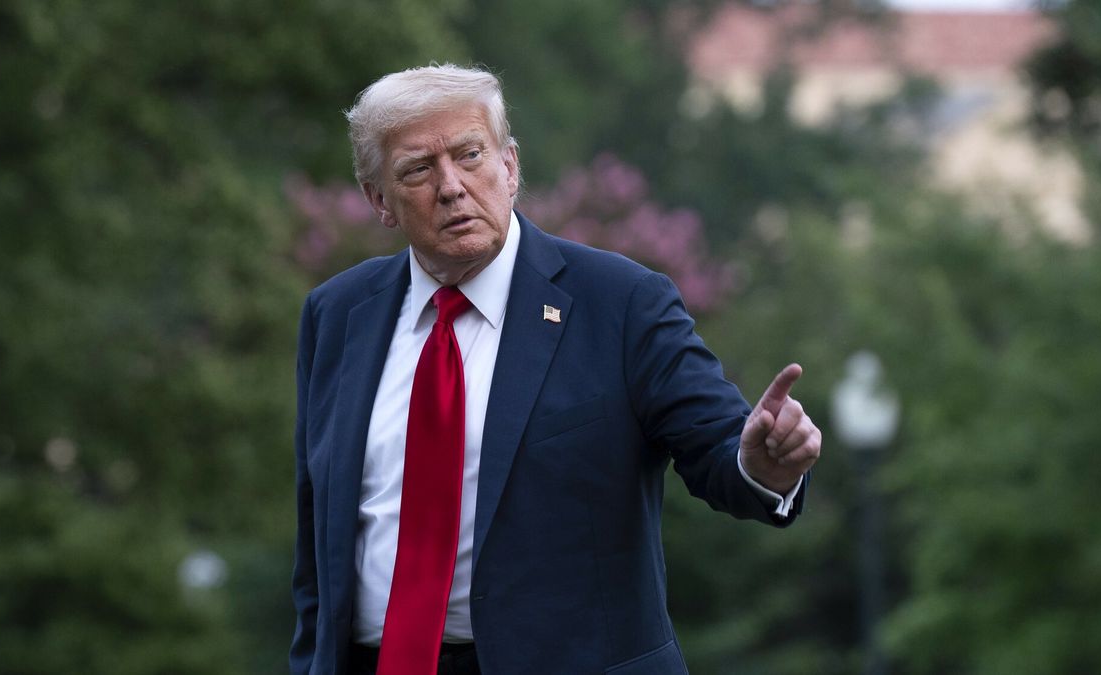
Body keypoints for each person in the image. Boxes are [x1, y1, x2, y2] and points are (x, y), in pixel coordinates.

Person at [291, 64, 821, 675]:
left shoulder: (621, 302)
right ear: (379, 200)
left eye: (470, 155)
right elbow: (319, 547)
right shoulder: (337, 315)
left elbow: (719, 447)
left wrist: (759, 466)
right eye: (418, 169)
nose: (452, 186)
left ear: (510, 167)